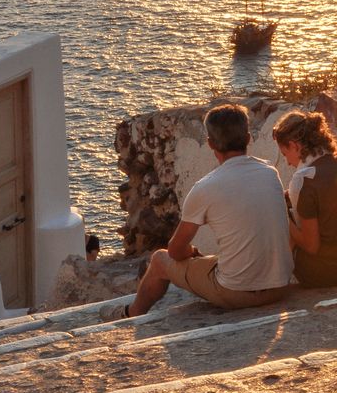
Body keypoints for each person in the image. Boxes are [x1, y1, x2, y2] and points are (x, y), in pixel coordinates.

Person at [103, 104, 293, 320]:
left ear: (210, 143)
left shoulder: (206, 187)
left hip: (238, 293)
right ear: (248, 138)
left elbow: (175, 251)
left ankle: (130, 314)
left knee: (159, 260)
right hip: (280, 285)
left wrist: (190, 253)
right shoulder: (270, 173)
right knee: (220, 259)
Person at [272, 110, 337, 287]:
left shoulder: (303, 180)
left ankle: (274, 279)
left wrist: (282, 215)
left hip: (324, 275)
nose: (287, 162)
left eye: (285, 154)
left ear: (294, 146)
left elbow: (311, 246)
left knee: (279, 214)